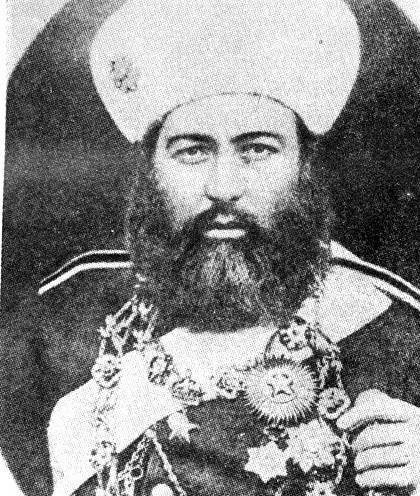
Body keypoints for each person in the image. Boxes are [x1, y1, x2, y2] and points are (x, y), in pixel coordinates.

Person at [37, 0, 420, 495]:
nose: (223, 186)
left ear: (304, 167)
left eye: (257, 148)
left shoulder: (397, 335)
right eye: (192, 150)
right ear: (150, 171)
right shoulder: (57, 324)